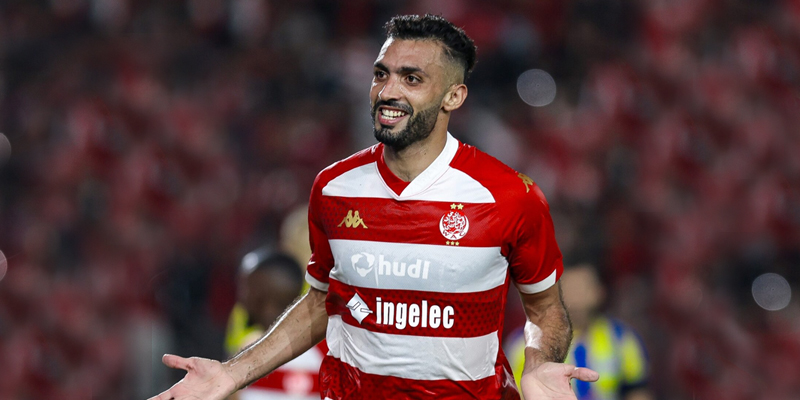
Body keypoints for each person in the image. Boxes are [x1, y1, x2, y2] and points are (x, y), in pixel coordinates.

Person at [149, 14, 598, 400]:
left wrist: (540, 363)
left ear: (453, 97)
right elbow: (321, 302)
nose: (388, 91)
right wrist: (232, 373)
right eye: (381, 74)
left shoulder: (510, 196)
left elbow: (546, 310)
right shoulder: (334, 187)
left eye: (412, 79)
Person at [507, 263, 653, 400]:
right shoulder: (526, 342)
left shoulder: (621, 338)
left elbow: (637, 390)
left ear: (599, 291)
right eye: (570, 288)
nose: (577, 297)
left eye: (583, 288)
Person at [224, 248, 327, 400]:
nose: (240, 297)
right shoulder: (326, 351)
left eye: (244, 288)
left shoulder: (245, 357)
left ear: (258, 296)